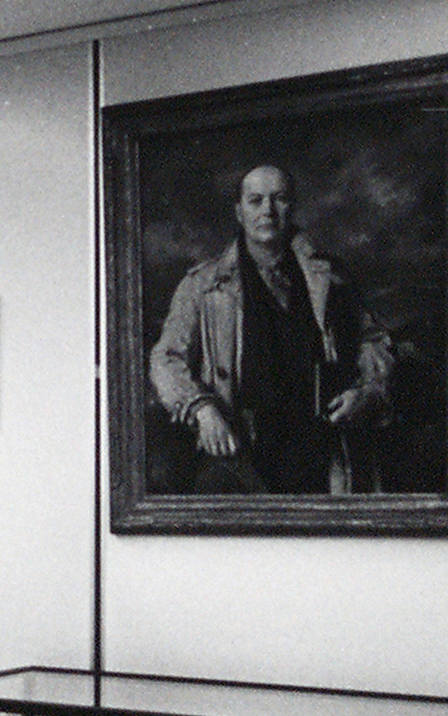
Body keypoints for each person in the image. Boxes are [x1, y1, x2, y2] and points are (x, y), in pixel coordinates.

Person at [149, 163, 392, 494]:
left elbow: (373, 341)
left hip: (321, 452)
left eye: (279, 199)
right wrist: (201, 408)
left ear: (293, 206)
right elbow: (165, 358)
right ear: (239, 211)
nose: (268, 210)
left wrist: (367, 392)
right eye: (256, 200)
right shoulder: (203, 286)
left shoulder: (330, 277)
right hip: (238, 454)